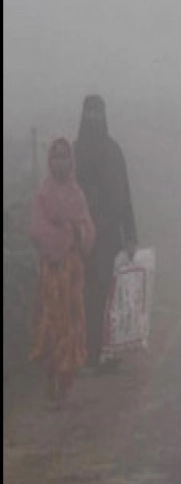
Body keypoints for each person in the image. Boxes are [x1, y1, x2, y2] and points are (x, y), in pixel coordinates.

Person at [29, 137, 96, 403]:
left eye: (65, 157)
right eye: (55, 157)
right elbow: (36, 231)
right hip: (51, 272)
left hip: (72, 272)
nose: (60, 162)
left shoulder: (77, 194)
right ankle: (50, 375)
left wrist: (73, 231)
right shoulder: (43, 195)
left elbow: (88, 230)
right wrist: (62, 236)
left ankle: (64, 382)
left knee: (71, 323)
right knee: (50, 322)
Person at [74, 95, 138, 370]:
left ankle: (105, 352)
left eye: (97, 112)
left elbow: (124, 195)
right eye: (89, 112)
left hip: (110, 235)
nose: (93, 118)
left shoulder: (114, 151)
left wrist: (131, 234)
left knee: (109, 294)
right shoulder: (75, 152)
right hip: (82, 236)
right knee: (88, 295)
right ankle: (89, 354)